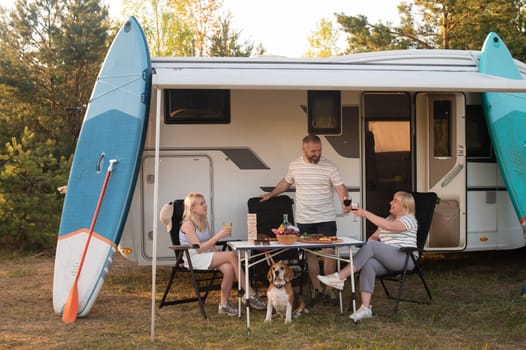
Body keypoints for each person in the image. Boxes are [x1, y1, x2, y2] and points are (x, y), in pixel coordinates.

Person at [261, 134, 351, 302]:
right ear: (304, 149)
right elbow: (286, 183)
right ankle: (317, 290)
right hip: (304, 219)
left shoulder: (330, 166)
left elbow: (340, 188)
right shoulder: (294, 166)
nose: (317, 153)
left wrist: (344, 201)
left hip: (325, 217)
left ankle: (329, 290)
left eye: (319, 150)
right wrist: (271, 194)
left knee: (329, 253)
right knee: (310, 254)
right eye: (313, 151)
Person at [317, 191, 418, 321]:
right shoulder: (388, 219)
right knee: (369, 262)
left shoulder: (409, 219)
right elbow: (373, 237)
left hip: (405, 258)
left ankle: (340, 277)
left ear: (405, 206)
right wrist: (366, 250)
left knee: (371, 246)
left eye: (395, 201)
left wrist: (365, 213)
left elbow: (389, 227)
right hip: (390, 259)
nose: (391, 202)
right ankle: (365, 308)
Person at [179, 192, 266, 316]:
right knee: (232, 255)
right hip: (194, 257)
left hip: (206, 254)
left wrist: (215, 250)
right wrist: (218, 236)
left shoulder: (204, 222)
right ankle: (250, 292)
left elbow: (208, 244)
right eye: (201, 203)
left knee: (229, 268)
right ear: (192, 208)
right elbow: (198, 249)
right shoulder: (188, 224)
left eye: (205, 203)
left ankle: (224, 305)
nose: (205, 206)